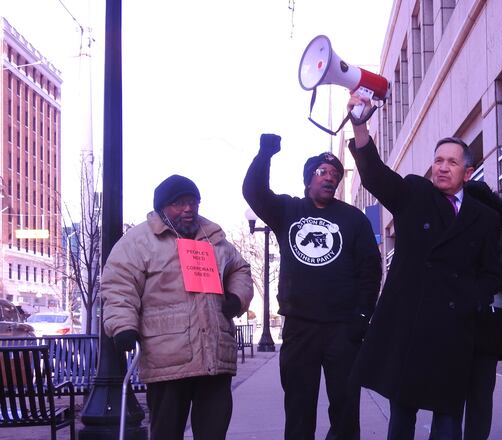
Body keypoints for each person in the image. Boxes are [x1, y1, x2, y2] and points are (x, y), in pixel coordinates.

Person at [346, 96, 502, 440]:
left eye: (451, 162)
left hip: (454, 331)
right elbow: (374, 175)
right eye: (438, 160)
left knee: (448, 419)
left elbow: (495, 270)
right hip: (410, 328)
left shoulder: (485, 218)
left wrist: (467, 297)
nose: (442, 167)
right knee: (402, 415)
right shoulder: (414, 193)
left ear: (468, 172)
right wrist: (360, 125)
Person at [242, 134, 382, 440]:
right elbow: (254, 192)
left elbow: (370, 270)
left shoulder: (353, 219)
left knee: (345, 409)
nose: (329, 178)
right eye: (322, 172)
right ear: (308, 179)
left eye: (334, 175)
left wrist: (361, 317)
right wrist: (264, 154)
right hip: (300, 327)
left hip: (343, 329)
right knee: (299, 407)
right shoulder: (288, 211)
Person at [102, 174, 254, 440]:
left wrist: (236, 298)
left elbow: (240, 269)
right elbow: (118, 284)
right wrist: (123, 326)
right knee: (166, 433)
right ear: (163, 207)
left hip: (215, 357)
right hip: (168, 360)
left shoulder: (213, 238)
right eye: (179, 203)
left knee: (213, 432)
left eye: (193, 202)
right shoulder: (138, 241)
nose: (188, 209)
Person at [455, 180, 502, 440]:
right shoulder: (453, 233)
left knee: (480, 395)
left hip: (488, 324)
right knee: (451, 396)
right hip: (455, 324)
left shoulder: (500, 238)